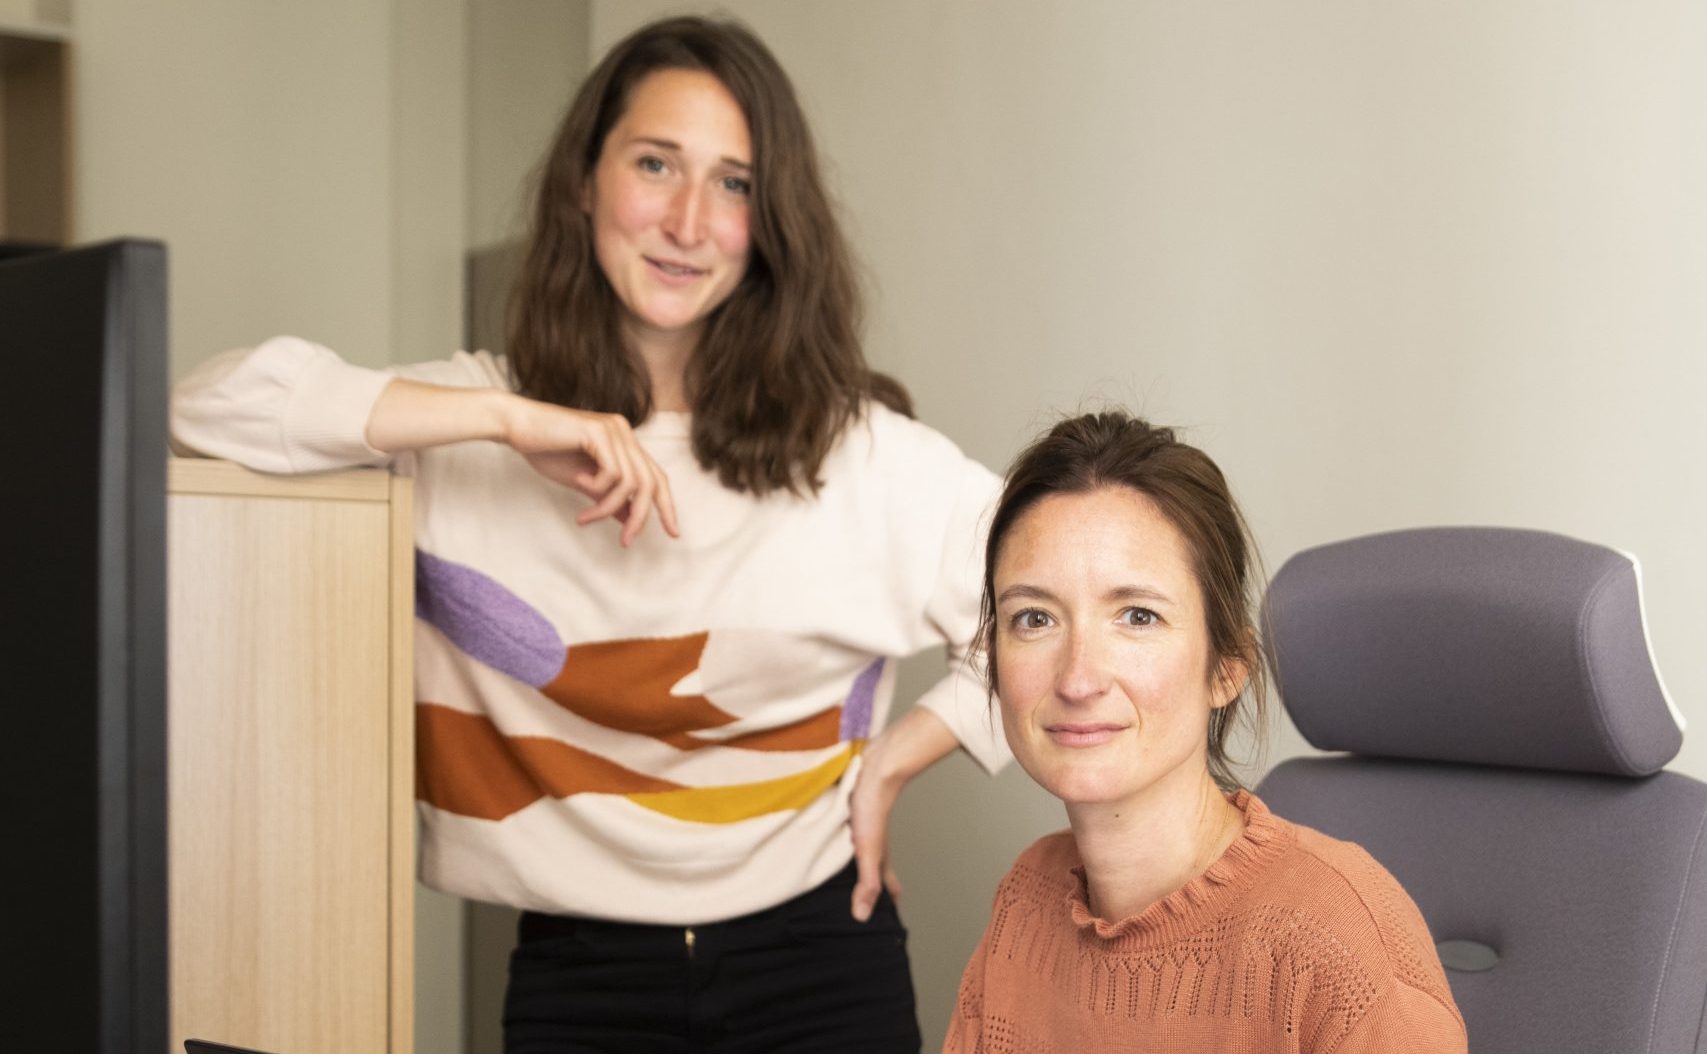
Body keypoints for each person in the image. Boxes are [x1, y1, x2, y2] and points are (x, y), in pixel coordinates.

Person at [172, 16, 1005, 1053]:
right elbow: (206, 406)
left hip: (821, 961)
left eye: (734, 183)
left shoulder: (863, 455)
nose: (689, 221)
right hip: (578, 978)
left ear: (770, 220)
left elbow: (1064, 609)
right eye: (655, 164)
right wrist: (505, 419)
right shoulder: (464, 428)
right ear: (582, 180)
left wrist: (899, 757)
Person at [944, 411, 1466, 1053]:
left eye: (1138, 616)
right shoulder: (1027, 900)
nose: (1078, 678)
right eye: (1034, 618)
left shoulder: (1336, 945)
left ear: (1226, 668)